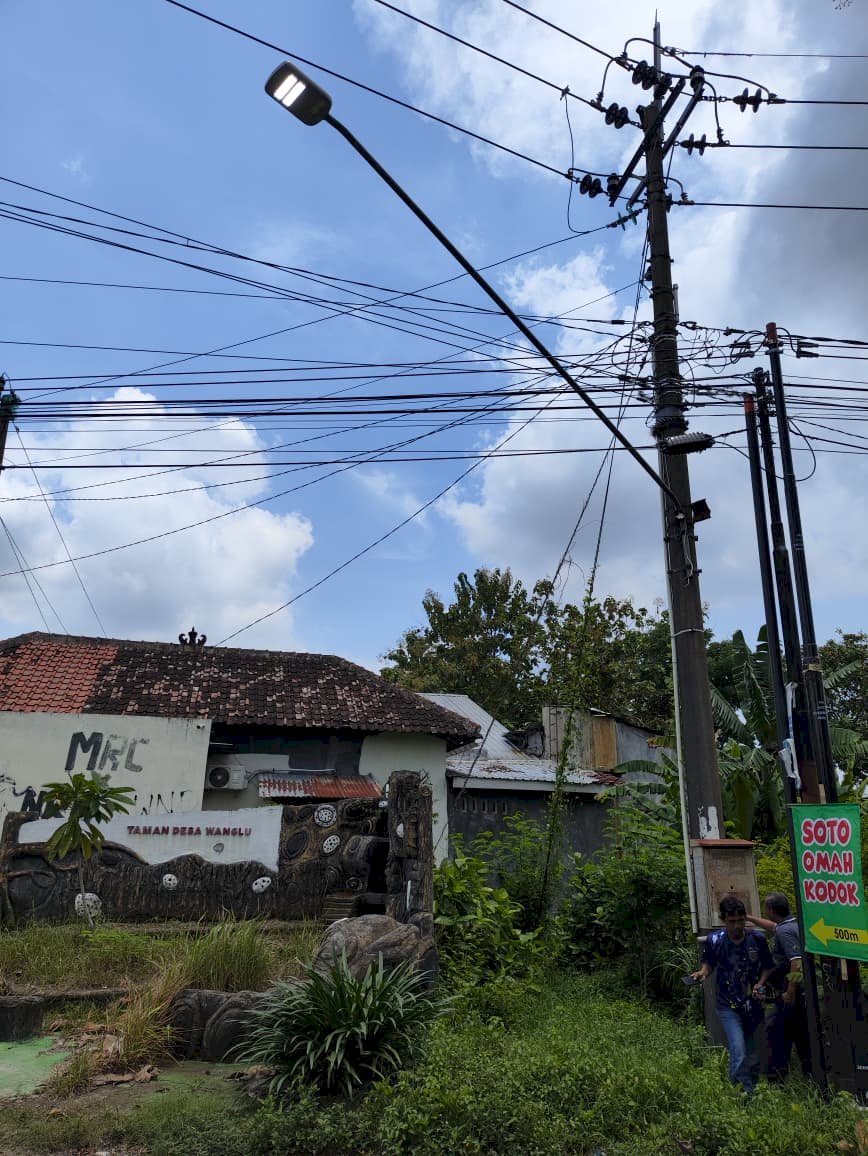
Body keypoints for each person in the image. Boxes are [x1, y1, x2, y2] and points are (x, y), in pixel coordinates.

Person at [691, 895, 774, 1095]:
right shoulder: (715, 941)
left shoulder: (757, 939)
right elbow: (709, 964)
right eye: (732, 922)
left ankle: (751, 1090)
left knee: (753, 1053)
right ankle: (740, 1093)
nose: (737, 926)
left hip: (752, 1003)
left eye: (740, 921)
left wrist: (760, 984)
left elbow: (768, 967)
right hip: (727, 1004)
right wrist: (702, 973)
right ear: (723, 920)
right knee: (738, 1049)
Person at [747, 892, 812, 1080]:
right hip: (802, 994)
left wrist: (790, 991)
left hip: (790, 993)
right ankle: (813, 1079)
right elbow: (774, 927)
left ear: (771, 910)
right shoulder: (792, 925)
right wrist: (749, 917)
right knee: (802, 1036)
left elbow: (797, 962)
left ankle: (775, 1082)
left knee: (775, 1035)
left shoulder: (785, 932)